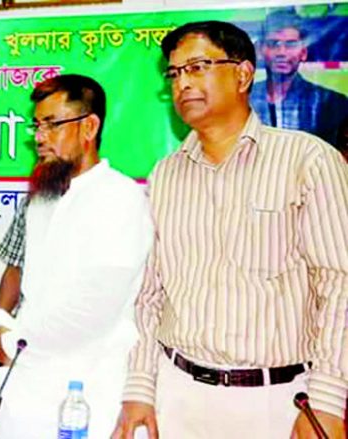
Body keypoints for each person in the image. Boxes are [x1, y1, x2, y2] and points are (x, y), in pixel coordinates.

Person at [112, 21, 348, 438]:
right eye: (175, 72)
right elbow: (150, 293)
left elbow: (338, 284)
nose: (183, 83)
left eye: (198, 67)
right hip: (178, 392)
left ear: (242, 74)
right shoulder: (166, 175)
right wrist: (140, 387)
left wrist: (327, 400)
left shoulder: (308, 161)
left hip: (275, 400)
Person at [0, 74, 153, 438]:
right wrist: (1, 321)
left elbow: (94, 309)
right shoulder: (43, 198)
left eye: (52, 124)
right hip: (26, 389)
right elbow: (28, 287)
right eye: (37, 125)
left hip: (84, 392)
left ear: (89, 127)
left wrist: (15, 338)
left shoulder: (120, 199)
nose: (39, 137)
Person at [250, 10, 348, 146]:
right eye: (273, 44)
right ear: (260, 50)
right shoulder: (242, 99)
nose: (281, 52)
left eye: (290, 44)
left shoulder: (331, 102)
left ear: (303, 52)